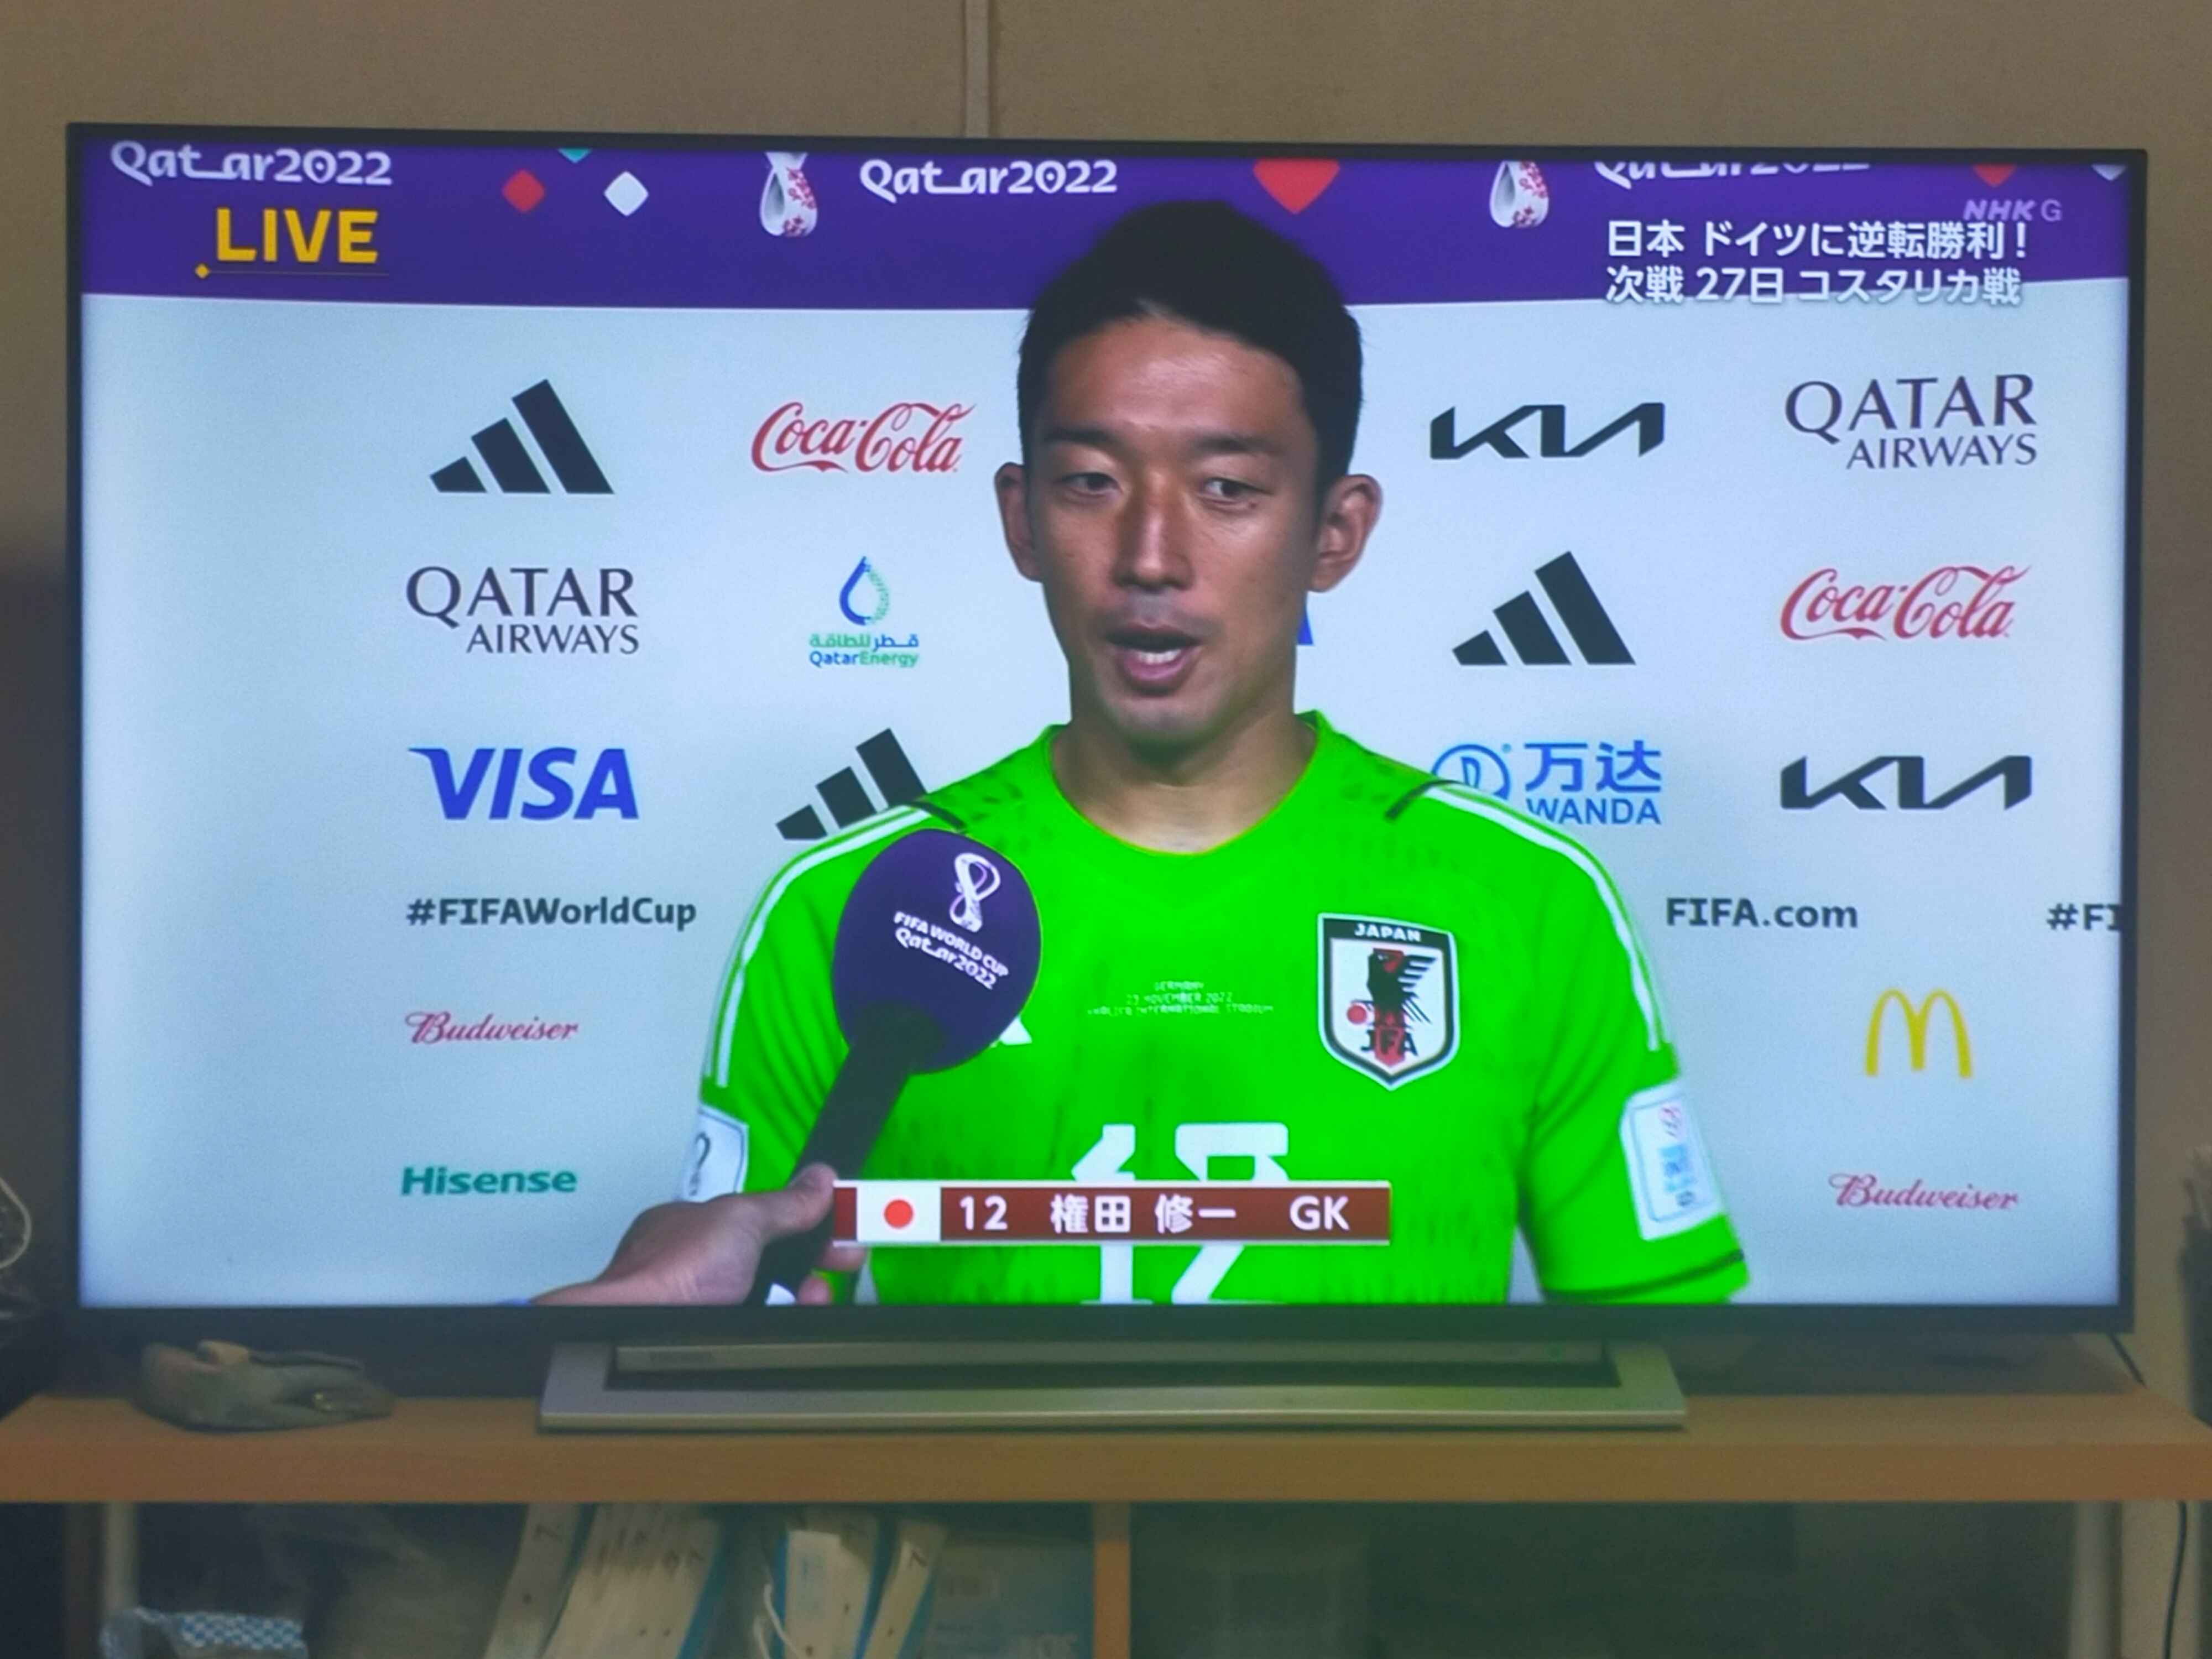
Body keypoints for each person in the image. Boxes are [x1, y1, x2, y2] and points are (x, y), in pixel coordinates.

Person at [540, 200, 1746, 1307]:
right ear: (1021, 519)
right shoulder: (850, 907)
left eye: (1225, 488)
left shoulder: (1527, 900)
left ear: (1335, 532)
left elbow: (1667, 1363)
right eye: (1090, 482)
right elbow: (731, 1358)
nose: (1151, 556)